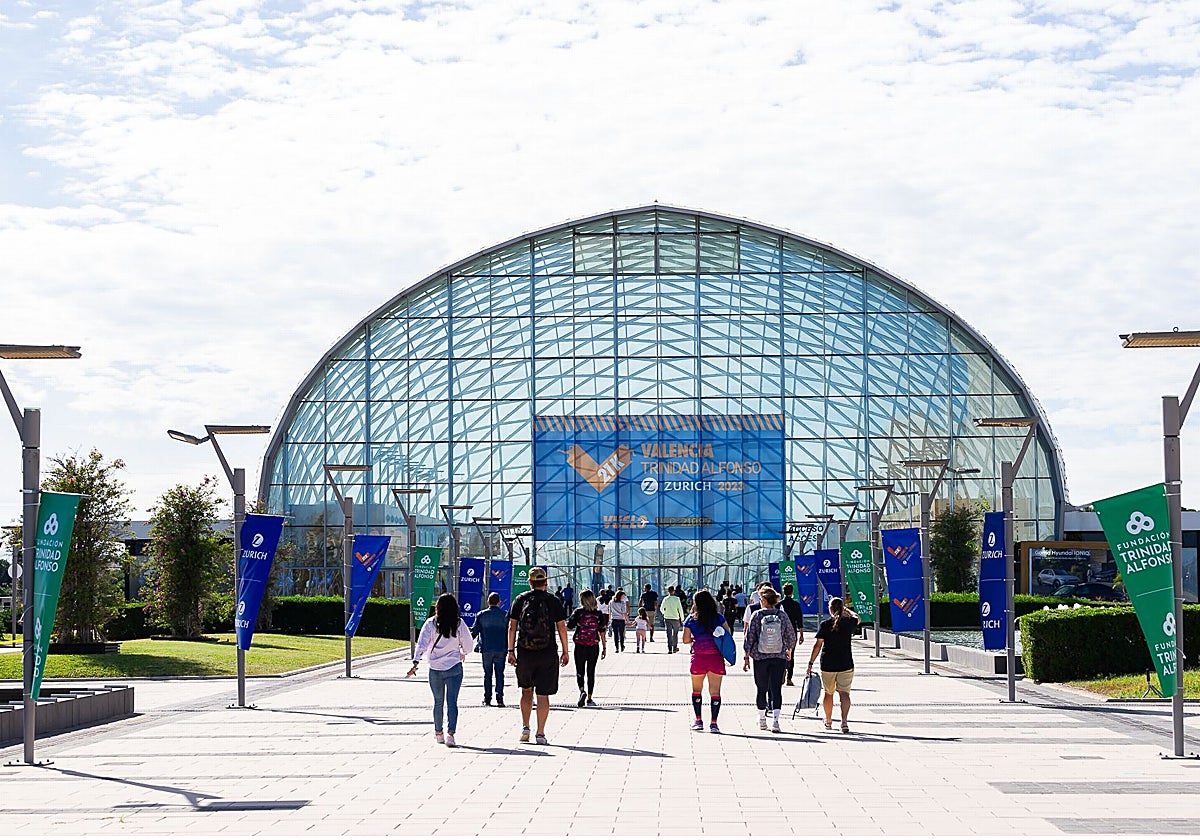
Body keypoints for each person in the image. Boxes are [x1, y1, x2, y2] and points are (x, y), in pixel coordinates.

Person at [507, 567, 569, 745]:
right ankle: (540, 733)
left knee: (526, 691)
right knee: (543, 695)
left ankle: (525, 727)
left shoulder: (521, 600)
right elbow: (562, 627)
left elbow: (512, 626)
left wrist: (511, 651)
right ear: (546, 582)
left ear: (530, 582)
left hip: (525, 653)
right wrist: (565, 651)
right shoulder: (553, 601)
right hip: (547, 652)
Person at [408, 592, 475, 747]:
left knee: (438, 702)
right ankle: (451, 735)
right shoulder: (459, 624)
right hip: (454, 667)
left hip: (435, 668)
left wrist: (416, 661)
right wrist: (462, 652)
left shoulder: (431, 623)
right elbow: (469, 645)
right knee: (452, 702)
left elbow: (422, 643)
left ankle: (439, 734)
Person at [742, 586, 796, 733]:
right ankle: (776, 721)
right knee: (776, 689)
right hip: (778, 656)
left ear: (764, 600)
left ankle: (762, 719)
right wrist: (789, 650)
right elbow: (791, 636)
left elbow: (750, 637)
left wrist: (746, 656)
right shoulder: (782, 615)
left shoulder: (757, 615)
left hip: (760, 658)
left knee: (761, 688)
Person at [806, 597, 860, 733]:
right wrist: (848, 611)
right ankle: (844, 722)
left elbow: (818, 645)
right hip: (846, 663)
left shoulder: (825, 624)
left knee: (828, 693)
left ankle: (829, 721)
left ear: (830, 609)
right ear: (842, 609)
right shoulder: (848, 623)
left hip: (828, 664)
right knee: (844, 694)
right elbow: (857, 618)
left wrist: (810, 662)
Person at [682, 589, 731, 733]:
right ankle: (714, 723)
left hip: (698, 657)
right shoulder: (719, 618)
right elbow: (727, 634)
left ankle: (698, 720)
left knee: (697, 690)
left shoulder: (691, 619)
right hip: (715, 657)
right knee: (715, 691)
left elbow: (685, 640)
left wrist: (696, 639)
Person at [566, 589, 607, 707]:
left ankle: (582, 690)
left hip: (580, 645)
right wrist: (604, 647)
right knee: (591, 671)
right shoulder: (598, 614)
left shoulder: (578, 612)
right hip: (593, 646)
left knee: (580, 670)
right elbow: (602, 631)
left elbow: (568, 627)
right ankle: (589, 697)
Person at [470, 591, 509, 706]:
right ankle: (500, 698)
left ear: (488, 602)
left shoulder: (481, 615)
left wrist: (462, 644)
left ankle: (487, 698)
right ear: (500, 602)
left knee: (487, 674)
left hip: (486, 649)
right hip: (501, 648)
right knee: (500, 673)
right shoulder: (505, 615)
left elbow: (474, 632)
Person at [779, 583, 806, 686]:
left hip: (781, 631)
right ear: (792, 592)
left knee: (781, 653)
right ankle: (789, 678)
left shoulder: (780, 604)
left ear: (783, 591)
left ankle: (782, 672)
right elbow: (799, 620)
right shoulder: (796, 605)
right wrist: (802, 634)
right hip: (792, 632)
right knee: (792, 655)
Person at [660, 585, 686, 653]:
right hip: (675, 618)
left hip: (667, 618)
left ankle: (669, 648)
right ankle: (675, 647)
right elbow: (680, 609)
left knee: (669, 634)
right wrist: (682, 618)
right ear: (673, 591)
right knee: (675, 633)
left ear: (668, 591)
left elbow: (661, 608)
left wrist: (664, 613)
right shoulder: (677, 599)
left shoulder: (665, 599)